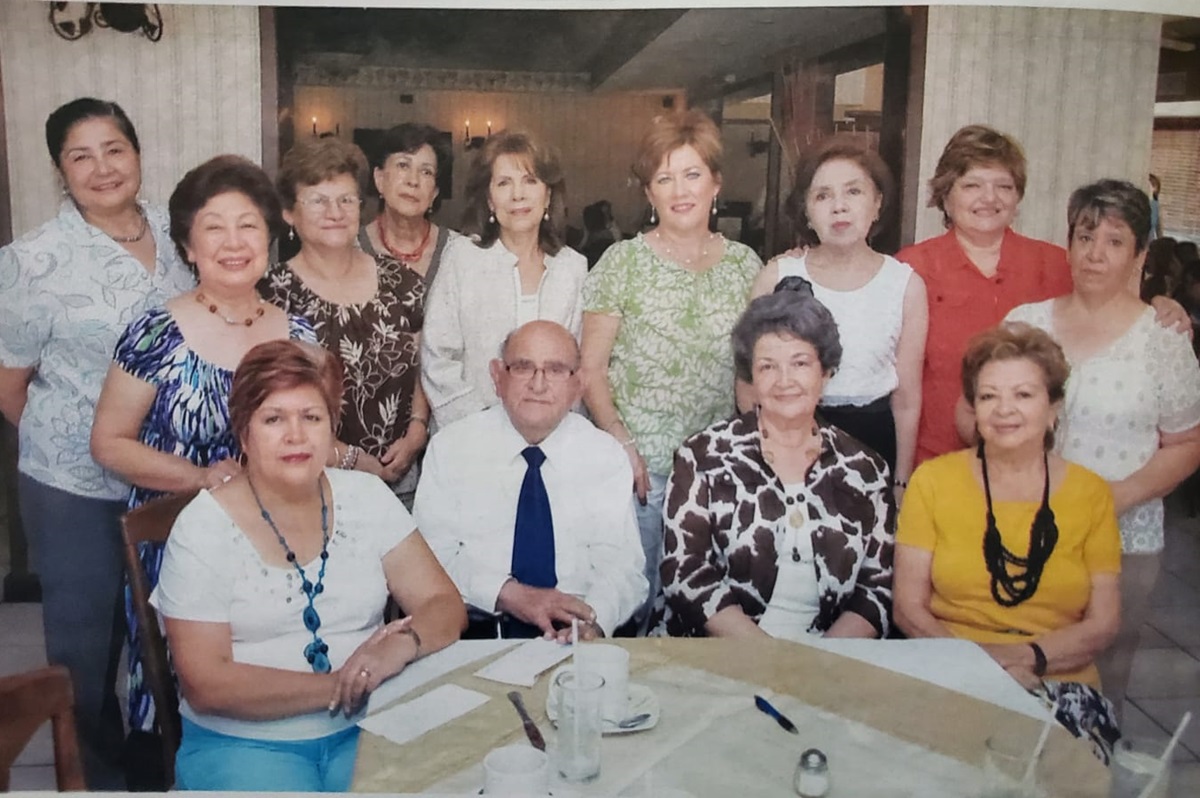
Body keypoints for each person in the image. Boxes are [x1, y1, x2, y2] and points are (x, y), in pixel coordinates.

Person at [90, 154, 317, 787]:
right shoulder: (156, 332)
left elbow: (312, 439)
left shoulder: (299, 334)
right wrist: (199, 477)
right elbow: (108, 442)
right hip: (179, 544)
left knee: (280, 688)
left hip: (277, 542)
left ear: (269, 238)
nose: (233, 242)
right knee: (192, 700)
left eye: (248, 225)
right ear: (189, 246)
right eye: (214, 227)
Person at [151, 339, 465, 792]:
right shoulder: (202, 527)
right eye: (274, 419)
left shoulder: (367, 497)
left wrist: (401, 646)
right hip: (243, 745)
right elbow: (206, 684)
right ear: (243, 432)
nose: (296, 436)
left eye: (312, 418)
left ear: (332, 427)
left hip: (371, 727)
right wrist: (347, 683)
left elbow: (443, 604)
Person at [0, 98, 194, 788]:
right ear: (60, 170)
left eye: (114, 149)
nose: (102, 168)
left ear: (137, 153)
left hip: (174, 473)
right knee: (84, 652)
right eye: (80, 156)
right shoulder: (31, 260)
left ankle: (163, 764)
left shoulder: (182, 234)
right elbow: (11, 384)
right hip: (74, 485)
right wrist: (71, 442)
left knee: (172, 631)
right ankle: (98, 780)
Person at [1006, 179, 1200, 722]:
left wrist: (1111, 498)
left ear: (1140, 255)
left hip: (1122, 540)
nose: (1095, 253)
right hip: (1020, 528)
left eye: (1115, 242)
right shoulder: (1026, 323)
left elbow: (1187, 441)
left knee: (1098, 686)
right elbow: (973, 412)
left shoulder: (1163, 339)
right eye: (1085, 237)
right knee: (1014, 675)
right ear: (1068, 243)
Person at [895, 125, 1186, 466]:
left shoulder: (1058, 262)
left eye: (1004, 186)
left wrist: (1161, 305)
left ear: (1018, 197)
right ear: (946, 196)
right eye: (972, 185)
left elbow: (1113, 308)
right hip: (939, 461)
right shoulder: (910, 268)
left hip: (1037, 467)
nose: (989, 198)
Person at [894, 323, 1122, 758]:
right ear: (974, 409)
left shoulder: (1091, 494)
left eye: (1023, 394)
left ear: (1053, 407)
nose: (1004, 410)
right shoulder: (933, 482)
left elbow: (1103, 622)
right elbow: (908, 608)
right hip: (950, 672)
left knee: (1049, 774)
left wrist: (1025, 659)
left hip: (1058, 681)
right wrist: (981, 667)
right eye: (988, 396)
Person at [581, 110, 762, 628]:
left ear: (716, 183)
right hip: (642, 472)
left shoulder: (747, 265)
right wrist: (623, 445)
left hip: (717, 471)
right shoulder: (622, 262)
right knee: (635, 608)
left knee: (708, 612)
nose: (680, 190)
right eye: (664, 178)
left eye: (692, 174)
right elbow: (590, 370)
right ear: (649, 192)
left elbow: (750, 375)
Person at [654, 286, 894, 640]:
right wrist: (770, 657)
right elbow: (685, 572)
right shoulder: (702, 456)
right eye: (768, 366)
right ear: (751, 377)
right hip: (722, 652)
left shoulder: (865, 469)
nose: (784, 381)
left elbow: (877, 588)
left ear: (826, 372)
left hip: (832, 656)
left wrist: (826, 659)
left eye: (800, 363)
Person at [415, 321, 646, 640]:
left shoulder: (604, 455)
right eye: (523, 367)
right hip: (476, 635)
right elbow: (427, 560)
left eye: (555, 370)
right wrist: (511, 594)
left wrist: (592, 622)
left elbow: (624, 568)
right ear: (497, 376)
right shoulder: (451, 449)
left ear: (578, 384)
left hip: (575, 635)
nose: (538, 385)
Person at [751, 136, 926, 488]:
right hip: (786, 442)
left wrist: (901, 481)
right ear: (806, 211)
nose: (839, 207)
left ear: (877, 203)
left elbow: (907, 398)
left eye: (853, 192)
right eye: (823, 196)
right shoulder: (778, 276)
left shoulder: (905, 285)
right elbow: (748, 382)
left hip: (873, 442)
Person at [261, 137, 428, 502]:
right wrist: (349, 458)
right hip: (311, 485)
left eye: (346, 199)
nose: (335, 212)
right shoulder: (270, 295)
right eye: (318, 200)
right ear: (289, 213)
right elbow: (266, 404)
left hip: (402, 482)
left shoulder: (401, 282)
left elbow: (420, 367)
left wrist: (417, 430)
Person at [421, 130, 586, 427]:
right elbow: (437, 357)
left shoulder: (572, 268)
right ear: (489, 199)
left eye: (530, 181)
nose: (517, 195)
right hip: (469, 432)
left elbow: (574, 367)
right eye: (504, 183)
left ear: (548, 195)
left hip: (552, 434)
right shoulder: (462, 257)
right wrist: (486, 429)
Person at [359, 122, 459, 286]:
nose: (413, 181)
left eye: (426, 172)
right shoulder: (350, 249)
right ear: (379, 179)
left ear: (434, 193)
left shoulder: (457, 252)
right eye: (403, 165)